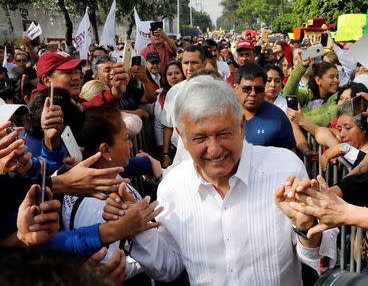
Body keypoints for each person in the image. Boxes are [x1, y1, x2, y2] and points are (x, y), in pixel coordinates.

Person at [104, 75, 338, 285]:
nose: (214, 150)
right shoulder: (173, 186)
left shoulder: (285, 169)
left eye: (224, 134)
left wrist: (306, 228)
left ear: (242, 126)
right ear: (182, 137)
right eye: (200, 138)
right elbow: (168, 268)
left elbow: (318, 262)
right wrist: (137, 227)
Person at [62, 106, 163, 280]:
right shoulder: (99, 204)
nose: (131, 144)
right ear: (105, 150)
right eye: (126, 139)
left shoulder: (102, 179)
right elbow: (110, 265)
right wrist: (153, 256)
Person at [32, 51, 129, 111]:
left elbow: (87, 108)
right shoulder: (45, 108)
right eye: (68, 72)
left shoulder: (74, 101)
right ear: (47, 80)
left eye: (76, 72)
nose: (76, 77)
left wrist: (114, 93)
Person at [160, 46, 207, 168]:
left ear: (204, 63)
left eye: (194, 63)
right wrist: (166, 154)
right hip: (180, 152)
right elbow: (168, 126)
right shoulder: (173, 92)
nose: (189, 68)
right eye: (186, 63)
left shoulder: (216, 90)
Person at [235, 64, 295, 151]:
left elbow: (291, 155)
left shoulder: (278, 117)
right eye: (247, 89)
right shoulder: (224, 114)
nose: (253, 94)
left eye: (259, 89)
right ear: (236, 88)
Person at [284, 60, 340, 127]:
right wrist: (301, 67)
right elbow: (288, 93)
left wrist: (300, 118)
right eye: (331, 77)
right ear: (318, 80)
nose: (336, 80)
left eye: (337, 77)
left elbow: (327, 120)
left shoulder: (339, 97)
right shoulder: (309, 94)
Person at [154, 61, 185, 158]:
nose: (173, 77)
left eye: (177, 73)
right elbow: (162, 125)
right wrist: (165, 153)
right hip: (173, 146)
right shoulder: (162, 96)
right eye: (169, 74)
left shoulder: (190, 90)